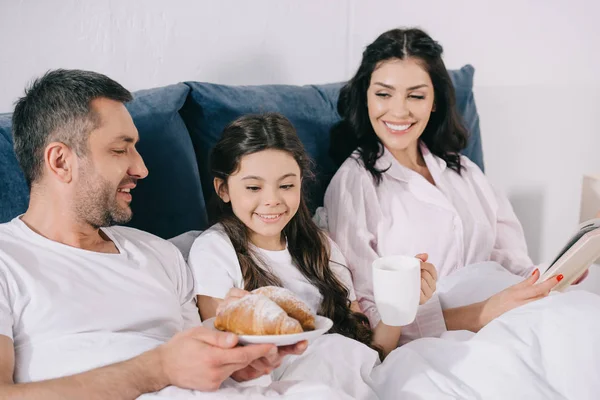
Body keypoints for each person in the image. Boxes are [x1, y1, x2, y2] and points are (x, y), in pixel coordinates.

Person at [0, 69, 307, 399]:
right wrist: (157, 368)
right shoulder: (8, 260)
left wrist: (237, 367)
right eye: (120, 150)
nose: (141, 169)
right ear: (60, 161)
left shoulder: (160, 254)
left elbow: (197, 368)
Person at [321, 28, 567, 342]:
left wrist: (550, 276)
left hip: (511, 317)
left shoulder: (463, 170)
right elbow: (371, 318)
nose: (399, 110)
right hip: (434, 344)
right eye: (384, 93)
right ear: (366, 97)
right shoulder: (353, 183)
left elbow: (512, 260)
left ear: (434, 101)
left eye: (416, 95)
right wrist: (484, 313)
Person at [187, 113, 436, 360]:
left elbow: (370, 354)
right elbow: (222, 357)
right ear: (223, 189)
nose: (272, 200)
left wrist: (402, 303)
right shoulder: (215, 251)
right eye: (253, 187)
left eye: (286, 186)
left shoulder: (320, 246)